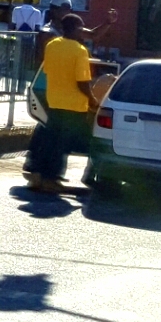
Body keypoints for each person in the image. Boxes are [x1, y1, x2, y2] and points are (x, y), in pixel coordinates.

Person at [24, 14, 94, 193]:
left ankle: (38, 175)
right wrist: (93, 100)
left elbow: (48, 70)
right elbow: (82, 82)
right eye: (81, 28)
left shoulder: (52, 45)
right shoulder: (80, 51)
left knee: (50, 141)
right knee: (62, 145)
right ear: (76, 29)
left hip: (54, 102)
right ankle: (51, 179)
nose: (83, 31)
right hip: (74, 105)